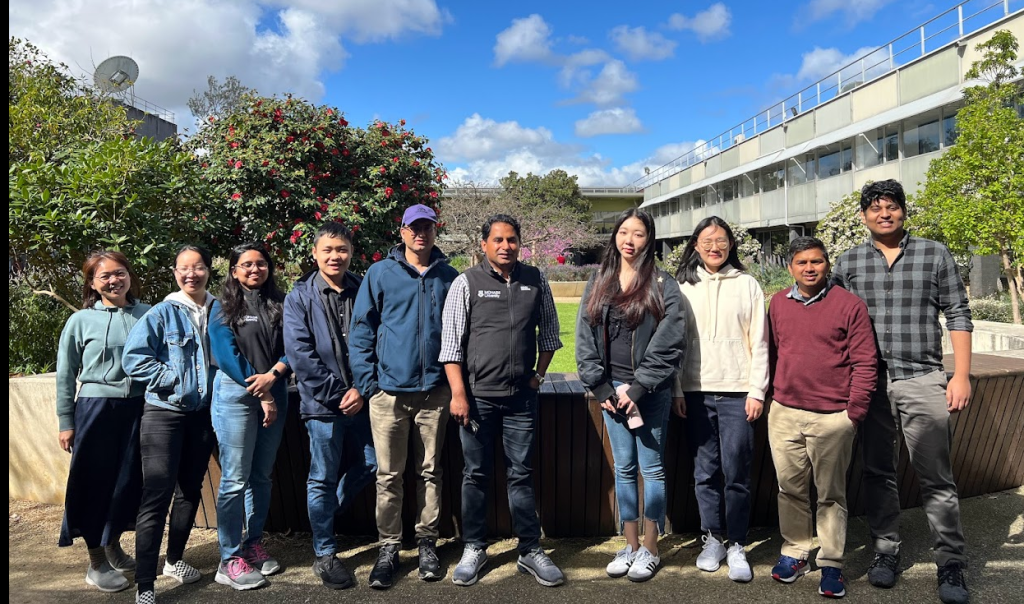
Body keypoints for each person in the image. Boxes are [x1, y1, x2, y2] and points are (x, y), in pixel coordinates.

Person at [832, 179, 973, 604]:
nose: (884, 213)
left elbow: (958, 312)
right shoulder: (849, 261)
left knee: (937, 478)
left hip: (924, 379)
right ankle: (885, 551)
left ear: (903, 211)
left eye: (891, 206)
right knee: (878, 472)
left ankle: (950, 563)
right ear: (863, 216)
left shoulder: (934, 254)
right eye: (875, 208)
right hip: (870, 382)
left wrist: (961, 375)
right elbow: (831, 316)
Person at [441, 214, 566, 588]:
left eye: (512, 239)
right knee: (475, 475)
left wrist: (539, 376)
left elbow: (551, 333)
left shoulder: (535, 279)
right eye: (497, 240)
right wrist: (460, 395)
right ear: (484, 245)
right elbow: (450, 346)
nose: (505, 246)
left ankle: (529, 550)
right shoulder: (466, 283)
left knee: (521, 475)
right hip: (477, 401)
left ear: (519, 243)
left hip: (520, 401)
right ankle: (474, 548)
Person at [349, 204, 459, 589]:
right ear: (402, 231)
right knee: (388, 475)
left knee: (430, 471)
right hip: (388, 395)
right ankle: (389, 547)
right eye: (414, 228)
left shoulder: (449, 276)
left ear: (434, 231)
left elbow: (461, 334)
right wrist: (369, 385)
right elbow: (362, 330)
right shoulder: (380, 273)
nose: (420, 234)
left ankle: (427, 542)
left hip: (434, 393)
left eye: (427, 227)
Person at [575, 208, 685, 582]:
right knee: (623, 469)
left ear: (648, 240)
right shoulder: (599, 280)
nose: (629, 240)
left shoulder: (662, 284)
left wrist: (638, 388)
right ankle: (631, 544)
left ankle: (651, 548)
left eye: (638, 234)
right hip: (611, 395)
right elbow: (584, 339)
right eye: (623, 232)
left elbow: (670, 344)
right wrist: (602, 387)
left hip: (648, 394)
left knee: (651, 470)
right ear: (615, 237)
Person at [767, 237, 877, 599]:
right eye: (802, 262)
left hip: (833, 418)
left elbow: (865, 362)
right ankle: (796, 551)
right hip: (784, 412)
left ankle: (831, 563)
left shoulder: (849, 305)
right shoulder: (778, 304)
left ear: (827, 265)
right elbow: (772, 354)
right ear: (791, 268)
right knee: (790, 489)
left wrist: (853, 413)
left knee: (831, 495)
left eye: (816, 262)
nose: (809, 268)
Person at [674, 216, 769, 583]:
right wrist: (677, 389)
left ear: (731, 245)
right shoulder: (683, 286)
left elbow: (759, 342)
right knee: (705, 472)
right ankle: (712, 538)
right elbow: (675, 344)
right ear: (695, 245)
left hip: (738, 393)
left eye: (722, 240)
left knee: (738, 473)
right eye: (708, 240)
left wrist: (757, 390)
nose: (715, 246)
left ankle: (738, 544)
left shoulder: (747, 284)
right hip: (695, 393)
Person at [284, 222, 377, 591]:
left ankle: (323, 514)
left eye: (341, 249)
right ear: (315, 254)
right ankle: (324, 552)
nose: (335, 256)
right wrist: (341, 393)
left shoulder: (364, 288)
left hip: (363, 400)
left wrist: (361, 389)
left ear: (351, 251)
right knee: (320, 476)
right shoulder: (299, 296)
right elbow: (300, 354)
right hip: (322, 406)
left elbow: (379, 340)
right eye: (328, 250)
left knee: (375, 462)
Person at [123, 245, 218, 604]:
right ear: (175, 272)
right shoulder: (163, 312)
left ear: (209, 270)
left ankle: (175, 560)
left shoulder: (218, 309)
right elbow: (134, 359)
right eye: (183, 268)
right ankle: (145, 583)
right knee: (157, 495)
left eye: (198, 267)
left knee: (190, 490)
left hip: (202, 415)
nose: (190, 273)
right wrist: (174, 379)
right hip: (164, 413)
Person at [56, 251, 151, 593]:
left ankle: (114, 546)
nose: (114, 280)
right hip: (97, 408)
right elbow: (66, 375)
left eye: (120, 273)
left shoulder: (149, 314)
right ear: (93, 284)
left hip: (141, 407)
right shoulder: (80, 321)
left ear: (129, 276)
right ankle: (96, 561)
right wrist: (66, 421)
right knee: (93, 484)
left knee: (128, 483)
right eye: (105, 276)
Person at [208, 243, 291, 590]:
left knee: (260, 476)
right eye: (246, 265)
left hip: (277, 392)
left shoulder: (280, 303)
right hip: (236, 397)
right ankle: (228, 559)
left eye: (260, 264)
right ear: (233, 270)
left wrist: (274, 376)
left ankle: (252, 543)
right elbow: (226, 354)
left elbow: (295, 346)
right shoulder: (222, 307)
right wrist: (264, 391)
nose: (254, 270)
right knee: (234, 479)